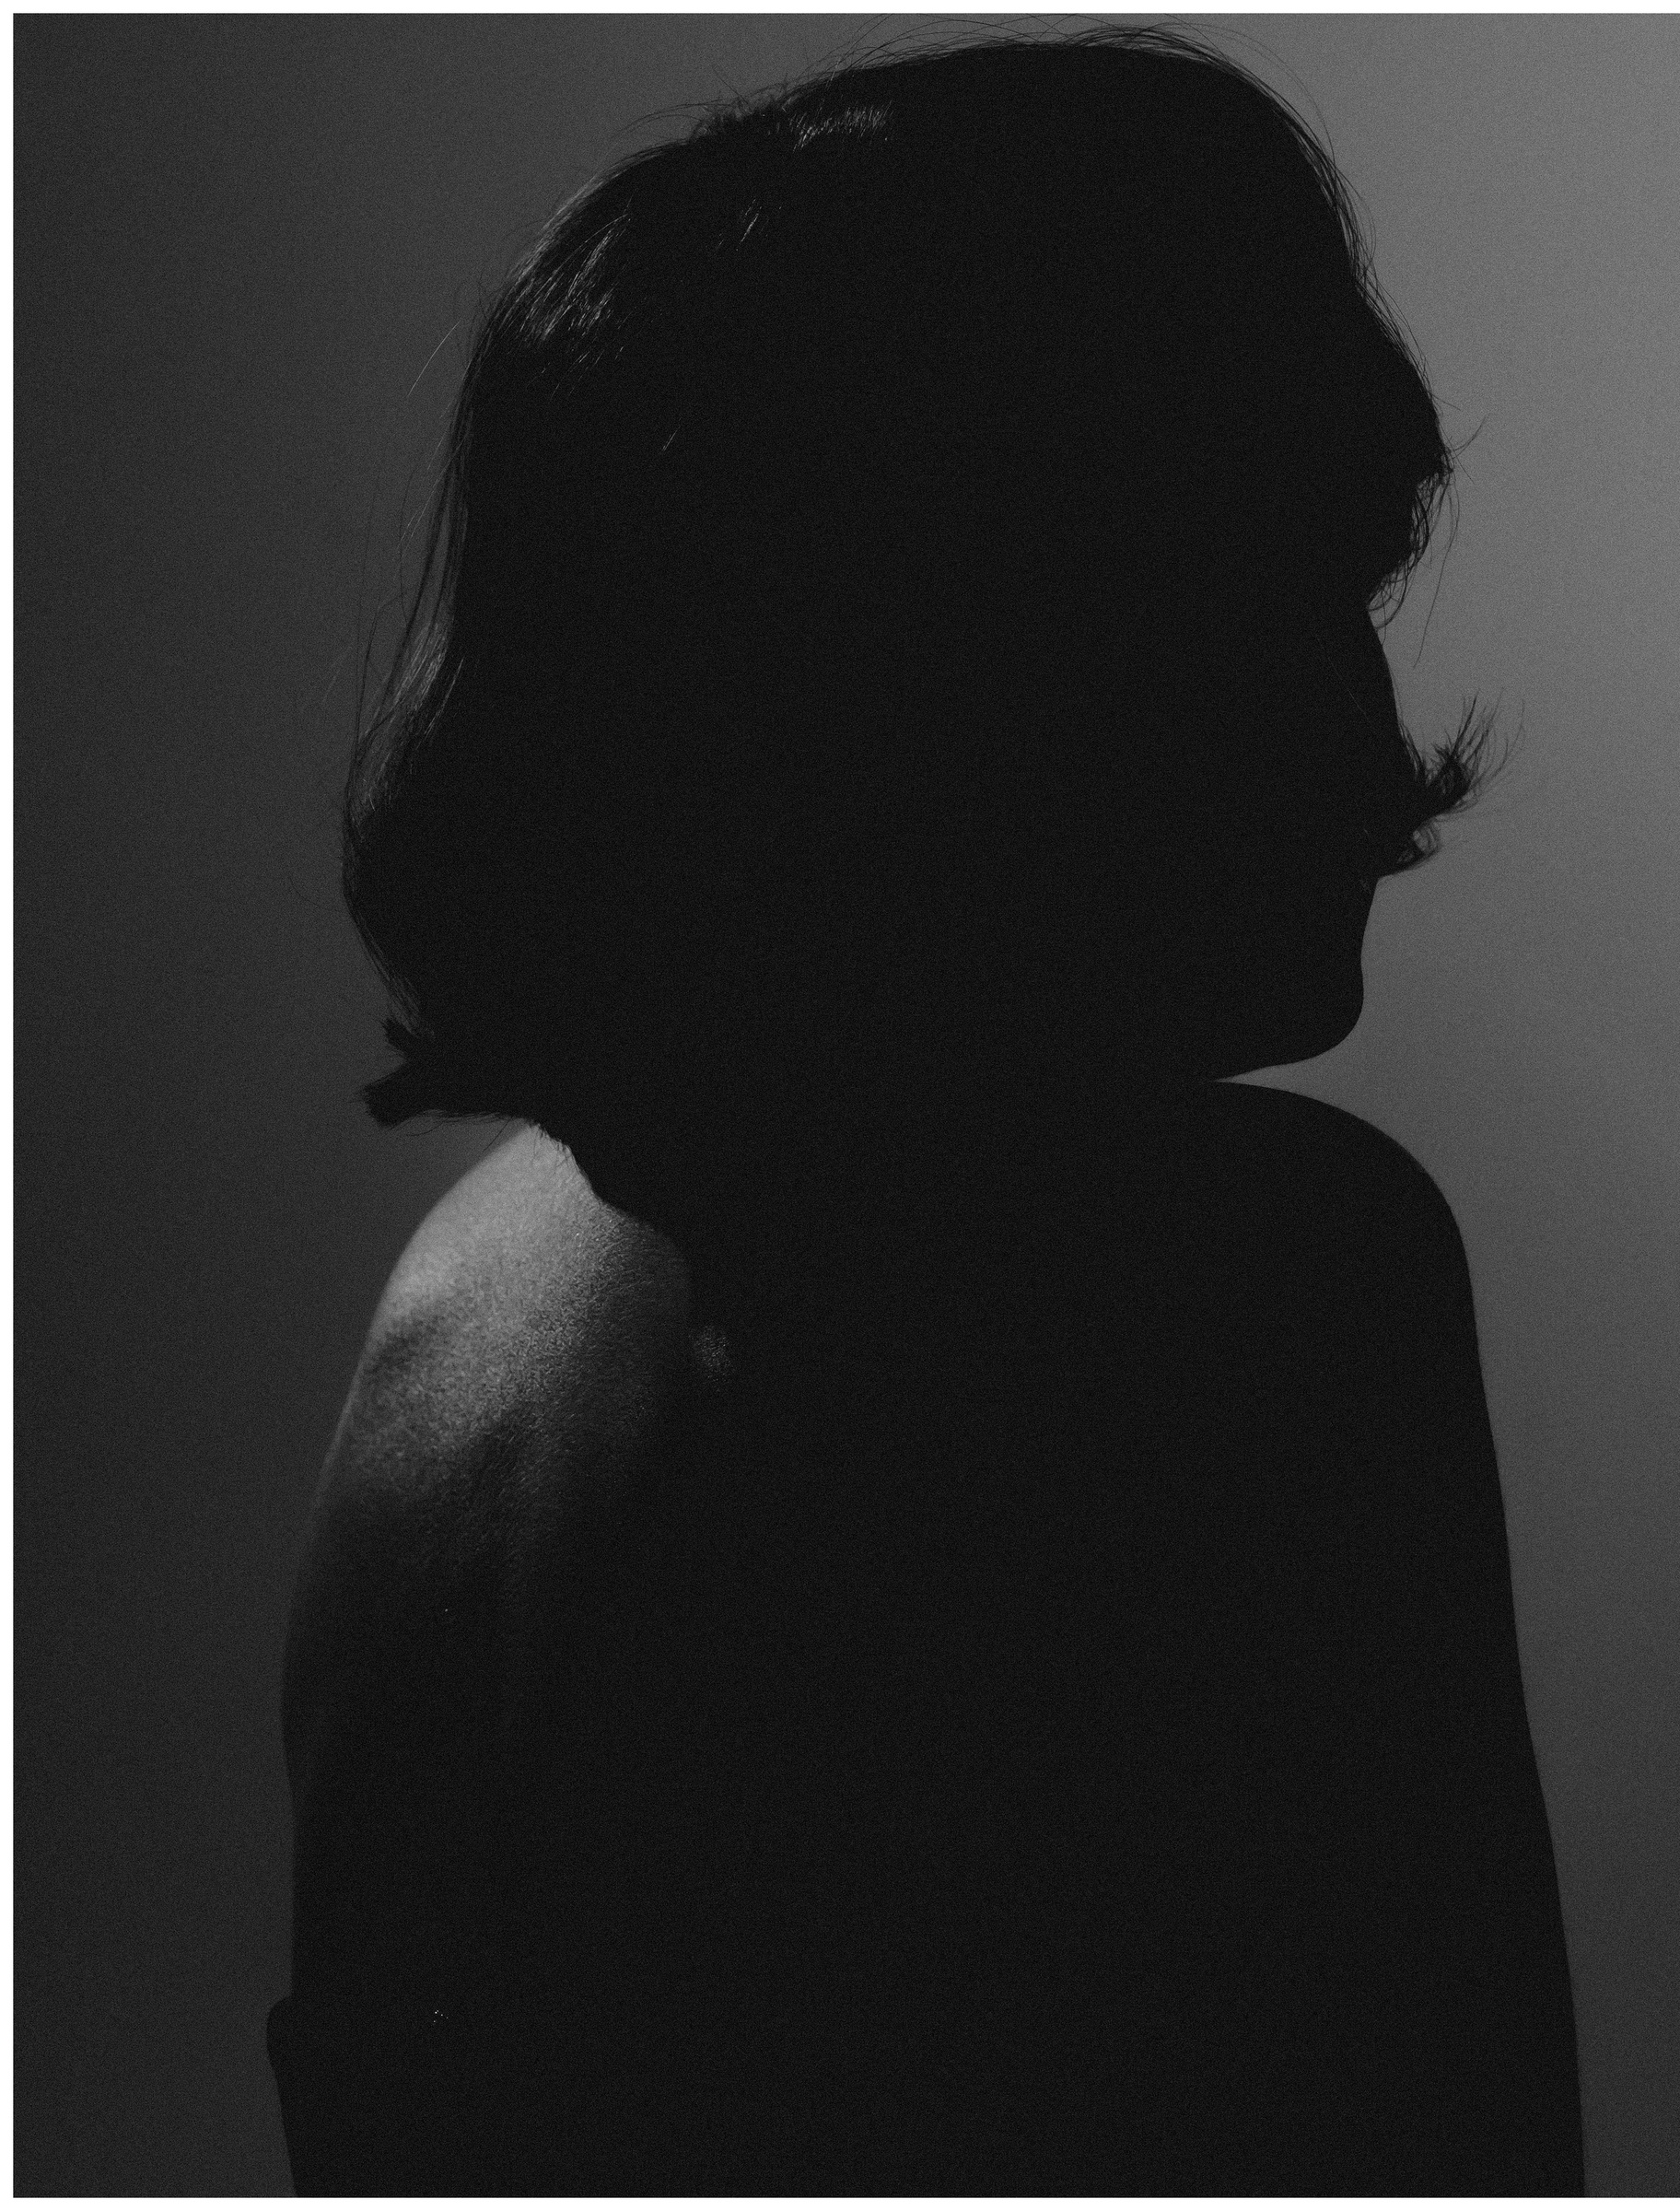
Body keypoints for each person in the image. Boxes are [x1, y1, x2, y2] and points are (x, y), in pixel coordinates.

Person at [269, 28, 1584, 2193]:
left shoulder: (455, 1329)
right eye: (1275, 593)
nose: (1373, 734)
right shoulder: (1253, 1278)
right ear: (1010, 662)